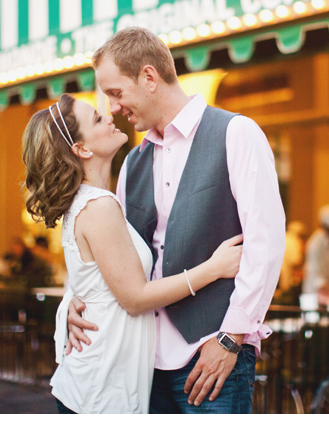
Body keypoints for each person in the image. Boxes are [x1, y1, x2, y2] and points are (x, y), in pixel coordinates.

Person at [66, 27, 286, 413]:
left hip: (213, 355)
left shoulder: (236, 133)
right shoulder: (131, 164)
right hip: (141, 364)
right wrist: (71, 302)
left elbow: (265, 246)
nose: (114, 108)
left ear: (149, 77)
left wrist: (232, 337)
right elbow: (113, 259)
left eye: (116, 93)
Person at [21, 93, 244, 413]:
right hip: (101, 389)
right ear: (81, 149)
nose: (110, 116)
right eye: (97, 119)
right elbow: (135, 297)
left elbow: (93, 281)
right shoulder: (99, 206)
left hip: (100, 382)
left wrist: (71, 302)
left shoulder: (90, 201)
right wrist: (214, 268)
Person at [277, 221, 306, 303]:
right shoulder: (294, 241)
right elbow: (295, 262)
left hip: (279, 277)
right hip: (288, 279)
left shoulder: (285, 238)